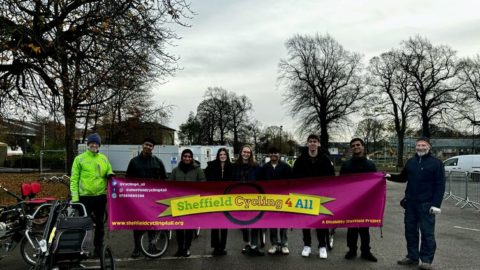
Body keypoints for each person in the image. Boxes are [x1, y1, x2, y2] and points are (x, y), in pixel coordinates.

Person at [396, 136, 445, 270]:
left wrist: (436, 204)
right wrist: (388, 177)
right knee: (410, 231)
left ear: (429, 147)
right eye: (418, 145)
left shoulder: (436, 163)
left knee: (427, 233)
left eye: (423, 145)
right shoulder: (411, 162)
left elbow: (440, 185)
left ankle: (426, 261)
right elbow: (402, 178)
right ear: (415, 147)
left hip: (427, 204)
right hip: (410, 204)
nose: (420, 148)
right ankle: (412, 257)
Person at [70, 133, 113, 256]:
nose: (94, 145)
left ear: (99, 145)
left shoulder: (104, 158)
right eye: (91, 143)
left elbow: (109, 170)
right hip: (84, 198)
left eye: (96, 143)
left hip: (100, 196)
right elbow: (74, 180)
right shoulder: (79, 159)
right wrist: (75, 199)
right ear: (88, 144)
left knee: (100, 225)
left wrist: (110, 173)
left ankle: (98, 249)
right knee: (83, 225)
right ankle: (82, 248)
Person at [292, 134, 335, 259]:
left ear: (318, 144)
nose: (312, 143)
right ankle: (307, 245)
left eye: (315, 141)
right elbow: (295, 177)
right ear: (307, 144)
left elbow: (331, 177)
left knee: (320, 221)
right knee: (306, 222)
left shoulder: (325, 159)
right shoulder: (300, 160)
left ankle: (322, 246)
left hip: (321, 196)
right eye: (310, 141)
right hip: (304, 196)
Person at [125, 138, 167, 258]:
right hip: (138, 200)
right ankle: (137, 248)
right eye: (146, 144)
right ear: (142, 145)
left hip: (153, 199)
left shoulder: (158, 162)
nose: (148, 147)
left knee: (152, 224)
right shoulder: (134, 162)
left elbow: (164, 179)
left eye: (151, 145)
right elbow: (128, 180)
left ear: (153, 148)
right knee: (137, 224)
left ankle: (152, 246)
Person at [340, 138, 378, 262]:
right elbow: (340, 184)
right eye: (353, 145)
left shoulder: (370, 165)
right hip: (350, 201)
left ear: (362, 147)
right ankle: (352, 250)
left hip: (365, 202)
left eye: (358, 145)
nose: (356, 147)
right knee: (351, 227)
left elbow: (375, 183)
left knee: (364, 228)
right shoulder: (346, 165)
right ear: (351, 148)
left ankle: (366, 251)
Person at [170, 149, 206, 257]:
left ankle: (187, 248)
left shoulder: (198, 170)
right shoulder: (176, 170)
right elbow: (170, 185)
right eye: (185, 156)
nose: (187, 158)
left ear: (192, 158)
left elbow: (203, 183)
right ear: (182, 157)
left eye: (189, 156)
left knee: (190, 227)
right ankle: (180, 248)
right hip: (178, 202)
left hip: (192, 203)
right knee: (179, 228)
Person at [233, 145, 264, 256]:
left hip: (253, 198)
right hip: (239, 198)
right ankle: (247, 243)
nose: (246, 154)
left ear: (251, 154)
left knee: (254, 222)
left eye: (248, 152)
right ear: (241, 153)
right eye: (244, 152)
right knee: (243, 223)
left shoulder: (256, 167)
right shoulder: (235, 167)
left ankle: (254, 245)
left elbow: (262, 181)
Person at [261, 147, 293, 255]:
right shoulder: (264, 168)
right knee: (272, 222)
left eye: (275, 152)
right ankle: (274, 244)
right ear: (269, 155)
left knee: (284, 222)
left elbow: (291, 182)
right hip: (270, 200)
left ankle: (284, 244)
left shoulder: (286, 167)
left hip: (283, 199)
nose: (273, 154)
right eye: (271, 153)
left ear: (279, 154)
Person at [204, 147, 234, 256]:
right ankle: (216, 247)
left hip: (226, 199)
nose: (222, 156)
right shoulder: (211, 166)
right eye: (221, 154)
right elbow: (205, 178)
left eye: (224, 154)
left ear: (227, 156)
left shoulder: (231, 167)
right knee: (215, 223)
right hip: (215, 199)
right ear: (218, 155)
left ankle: (222, 247)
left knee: (225, 223)